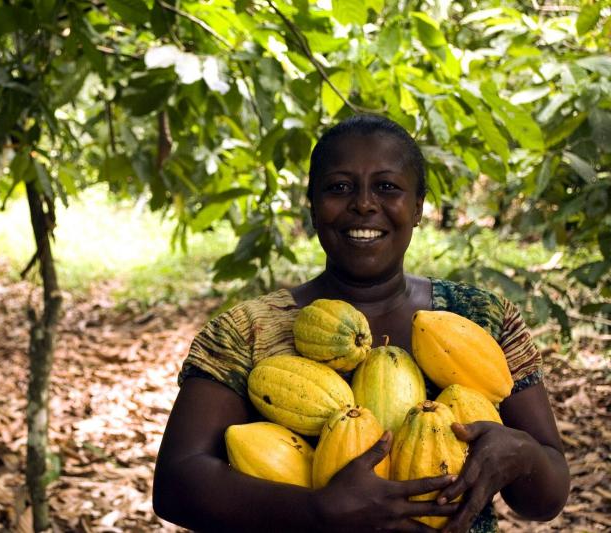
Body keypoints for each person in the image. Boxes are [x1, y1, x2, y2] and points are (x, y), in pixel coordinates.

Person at [152, 114, 569, 532]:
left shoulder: (481, 317)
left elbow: (546, 497)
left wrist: (523, 455)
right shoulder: (246, 332)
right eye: (339, 187)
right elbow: (175, 485)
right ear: (313, 207)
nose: (364, 204)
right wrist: (318, 511)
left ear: (419, 206)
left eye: (387, 187)